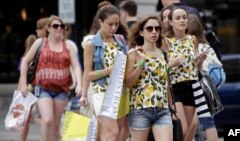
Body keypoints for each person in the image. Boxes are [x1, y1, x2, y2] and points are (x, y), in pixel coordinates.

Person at [19, 15, 82, 141]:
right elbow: (25, 61)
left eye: (61, 26)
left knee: (55, 125)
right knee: (47, 120)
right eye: (55, 26)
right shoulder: (40, 43)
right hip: (43, 88)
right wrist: (23, 83)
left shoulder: (68, 46)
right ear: (48, 28)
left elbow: (76, 66)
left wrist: (79, 83)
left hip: (61, 90)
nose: (59, 28)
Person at [81, 5, 129, 141]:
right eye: (110, 24)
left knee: (115, 135)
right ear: (100, 22)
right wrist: (107, 71)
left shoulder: (120, 40)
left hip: (121, 92)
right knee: (113, 133)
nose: (114, 28)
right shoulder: (92, 44)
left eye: (116, 24)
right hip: (102, 92)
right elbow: (88, 74)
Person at [125, 15, 173, 141]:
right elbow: (128, 83)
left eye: (157, 29)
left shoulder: (164, 54)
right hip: (140, 109)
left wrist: (171, 106)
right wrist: (141, 64)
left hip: (162, 109)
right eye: (149, 28)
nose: (154, 32)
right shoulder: (134, 54)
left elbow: (166, 82)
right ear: (141, 32)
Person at [166, 6, 208, 141]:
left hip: (192, 86)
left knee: (190, 129)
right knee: (181, 129)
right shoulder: (166, 41)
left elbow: (194, 67)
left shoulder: (192, 39)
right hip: (175, 87)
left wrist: (200, 61)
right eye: (178, 18)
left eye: (184, 17)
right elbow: (161, 67)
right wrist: (172, 64)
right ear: (170, 22)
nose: (182, 20)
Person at [188, 14, 220, 141]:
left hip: (195, 87)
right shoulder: (207, 46)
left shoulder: (191, 45)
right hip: (208, 87)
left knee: (193, 124)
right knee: (208, 123)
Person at [19, 17, 49, 141]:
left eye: (39, 28)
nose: (37, 30)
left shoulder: (48, 43)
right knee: (42, 118)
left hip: (45, 86)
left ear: (44, 29)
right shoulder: (38, 44)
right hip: (36, 86)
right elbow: (25, 64)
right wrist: (23, 84)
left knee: (43, 118)